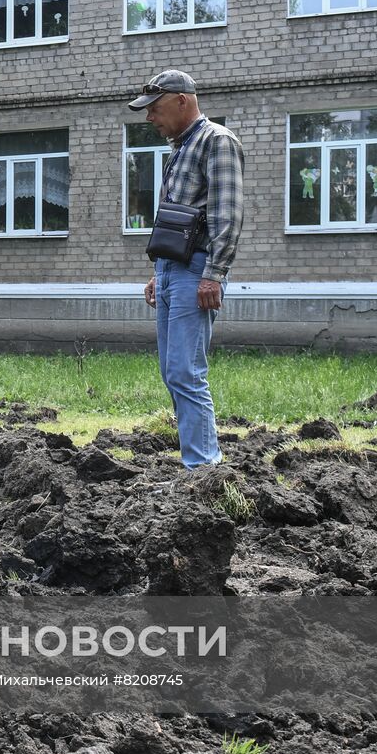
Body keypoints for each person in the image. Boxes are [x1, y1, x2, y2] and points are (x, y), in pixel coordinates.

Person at [127, 70, 244, 469]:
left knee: (186, 372)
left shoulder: (217, 141)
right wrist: (158, 272)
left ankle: (204, 469)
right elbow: (176, 218)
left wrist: (214, 274)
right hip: (172, 270)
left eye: (155, 109)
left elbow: (228, 214)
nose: (150, 118)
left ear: (182, 101)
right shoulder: (180, 147)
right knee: (172, 372)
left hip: (197, 272)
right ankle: (197, 464)